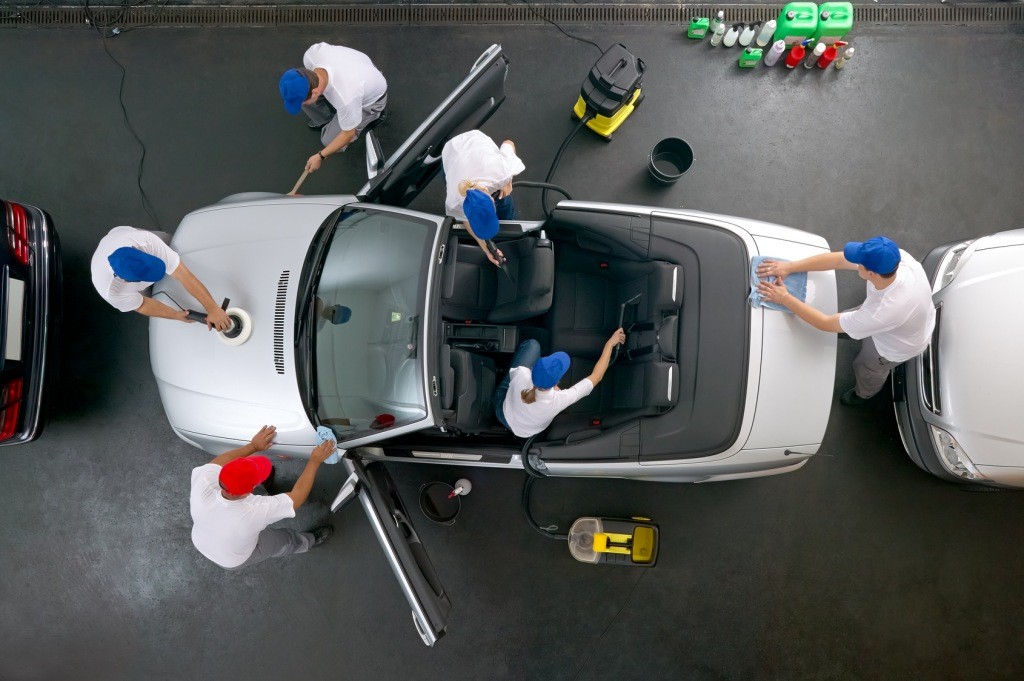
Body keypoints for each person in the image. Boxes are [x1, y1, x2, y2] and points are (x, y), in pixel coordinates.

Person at [756, 236, 935, 406]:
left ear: (871, 273)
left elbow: (826, 323)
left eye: (859, 263)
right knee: (851, 322)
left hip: (897, 345)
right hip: (904, 318)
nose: (854, 262)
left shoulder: (881, 312)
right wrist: (790, 267)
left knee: (866, 368)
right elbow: (838, 261)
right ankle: (851, 332)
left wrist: (784, 298)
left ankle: (864, 394)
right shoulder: (899, 260)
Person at [190, 425, 336, 570]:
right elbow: (297, 498)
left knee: (253, 503)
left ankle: (264, 489)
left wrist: (253, 446)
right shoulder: (254, 511)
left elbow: (218, 462)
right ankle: (308, 541)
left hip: (202, 538)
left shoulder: (204, 480)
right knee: (283, 541)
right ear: (248, 491)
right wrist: (314, 461)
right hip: (233, 557)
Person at [91, 226, 230, 331]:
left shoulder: (147, 242)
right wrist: (174, 315)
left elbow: (184, 275)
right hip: (114, 275)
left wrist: (213, 308)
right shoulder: (111, 291)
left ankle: (169, 251)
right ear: (131, 281)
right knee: (148, 296)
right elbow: (142, 305)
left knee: (170, 242)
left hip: (122, 234)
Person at [278, 42, 388, 175]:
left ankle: (376, 114)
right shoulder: (311, 55)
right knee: (305, 102)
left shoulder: (346, 97)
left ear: (315, 93)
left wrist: (320, 156)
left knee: (328, 140)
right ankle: (328, 120)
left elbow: (348, 133)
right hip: (359, 69)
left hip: (372, 99)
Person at [494, 329, 626, 438]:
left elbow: (597, 377)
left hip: (504, 412)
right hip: (524, 431)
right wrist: (610, 344)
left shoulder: (522, 374)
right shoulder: (558, 400)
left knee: (532, 345)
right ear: (556, 382)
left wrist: (610, 343)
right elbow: (596, 376)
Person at [441, 130, 525, 266]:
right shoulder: (453, 202)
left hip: (475, 141)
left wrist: (508, 181)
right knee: (450, 178)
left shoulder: (502, 171)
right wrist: (487, 249)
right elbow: (465, 220)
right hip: (452, 153)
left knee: (505, 202)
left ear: (492, 200)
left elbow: (509, 142)